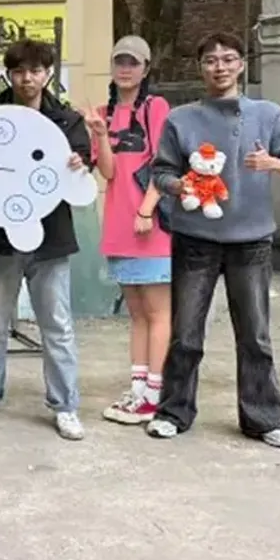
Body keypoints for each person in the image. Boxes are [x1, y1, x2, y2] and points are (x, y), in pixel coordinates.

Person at [147, 33, 280, 448]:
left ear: (242, 65)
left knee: (255, 334)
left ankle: (264, 418)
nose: (219, 67)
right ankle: (174, 411)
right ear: (200, 67)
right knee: (186, 333)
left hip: (252, 241)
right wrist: (179, 185)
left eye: (227, 59)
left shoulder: (268, 114)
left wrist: (273, 163)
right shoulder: (182, 119)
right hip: (195, 239)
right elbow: (160, 172)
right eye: (210, 61)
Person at [0, 39, 91, 441]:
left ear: (49, 73)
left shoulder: (68, 121)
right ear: (8, 75)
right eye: (18, 71)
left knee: (57, 326)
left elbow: (83, 172)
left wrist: (82, 162)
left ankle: (65, 405)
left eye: (35, 70)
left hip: (50, 241)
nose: (27, 78)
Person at [81, 36, 172, 425]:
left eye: (133, 62)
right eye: (120, 60)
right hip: (119, 225)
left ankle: (156, 392)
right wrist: (100, 133)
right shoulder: (103, 112)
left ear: (146, 69)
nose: (125, 68)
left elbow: (166, 163)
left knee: (158, 311)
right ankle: (138, 390)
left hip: (151, 227)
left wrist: (148, 208)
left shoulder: (156, 108)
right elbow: (108, 171)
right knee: (136, 313)